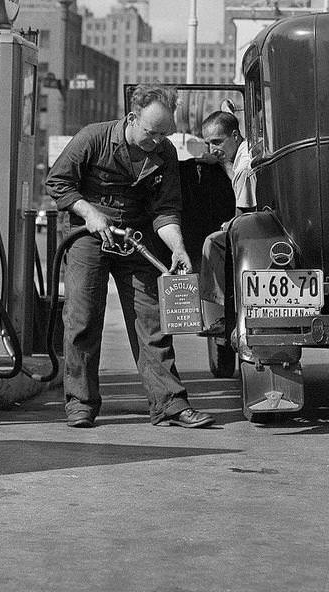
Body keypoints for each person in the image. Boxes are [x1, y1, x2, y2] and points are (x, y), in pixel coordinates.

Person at [45, 84, 217, 430]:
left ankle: (170, 404)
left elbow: (166, 210)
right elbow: (59, 182)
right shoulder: (92, 138)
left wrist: (178, 247)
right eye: (151, 133)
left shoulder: (165, 152)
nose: (157, 142)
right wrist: (90, 213)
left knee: (152, 322)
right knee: (82, 319)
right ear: (132, 117)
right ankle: (80, 404)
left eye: (163, 134)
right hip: (89, 236)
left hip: (136, 237)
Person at [197, 110, 257, 337]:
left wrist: (228, 226)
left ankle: (221, 315)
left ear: (234, 135)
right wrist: (221, 160)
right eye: (208, 144)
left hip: (256, 230)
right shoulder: (243, 151)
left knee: (213, 242)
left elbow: (242, 218)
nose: (212, 149)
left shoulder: (244, 167)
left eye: (217, 142)